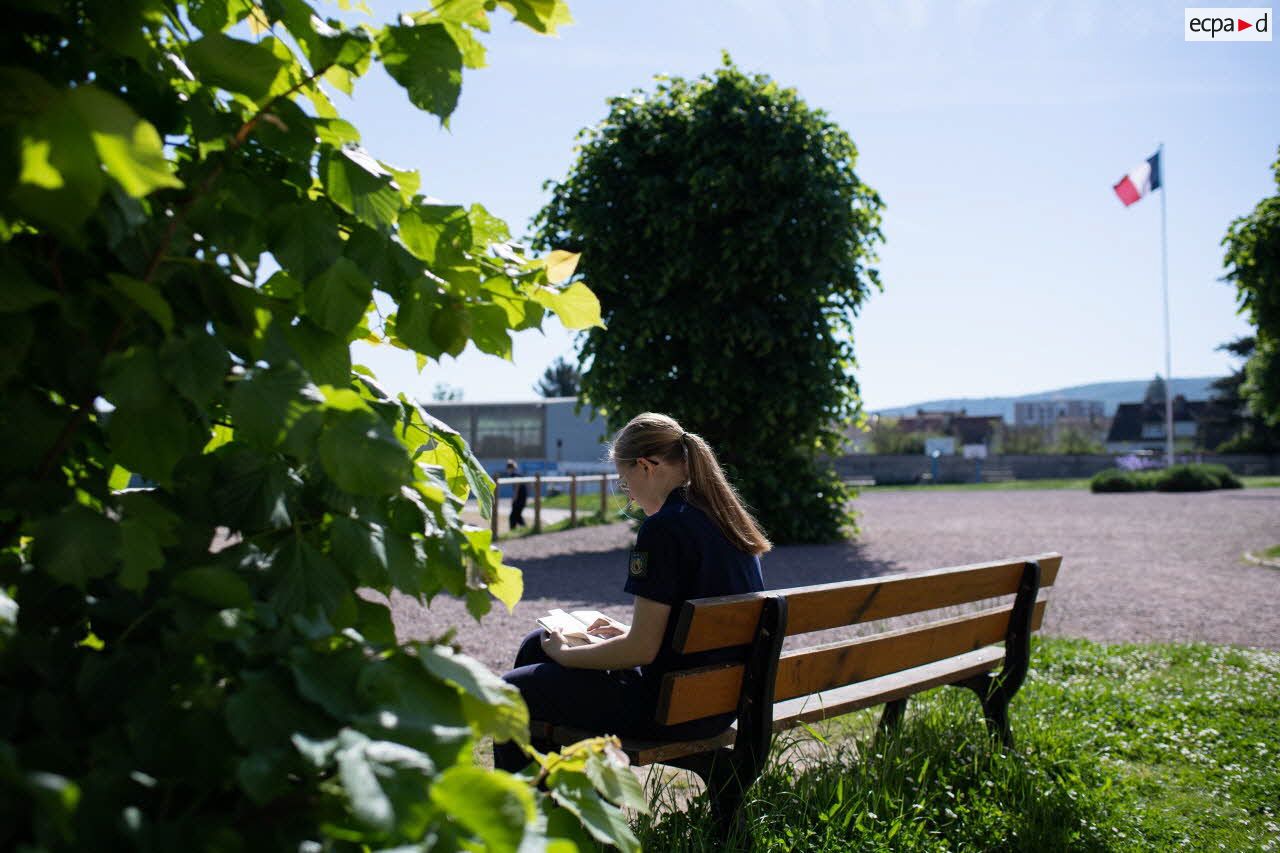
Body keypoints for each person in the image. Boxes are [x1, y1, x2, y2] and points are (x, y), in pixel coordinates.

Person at [493, 413, 771, 772]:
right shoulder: (724, 517)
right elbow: (684, 634)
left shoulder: (663, 529)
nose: (631, 496)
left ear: (646, 466)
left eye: (625, 482)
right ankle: (566, 800)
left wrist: (566, 655)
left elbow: (641, 649)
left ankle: (527, 814)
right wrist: (623, 633)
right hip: (713, 702)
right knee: (536, 644)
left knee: (510, 693)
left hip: (670, 710)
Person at [505, 459, 529, 529]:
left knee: (513, 517)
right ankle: (525, 529)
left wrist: (514, 499)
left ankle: (514, 530)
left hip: (519, 499)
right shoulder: (519, 474)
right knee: (517, 516)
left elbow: (517, 487)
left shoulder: (514, 475)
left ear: (510, 468)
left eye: (508, 468)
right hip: (522, 498)